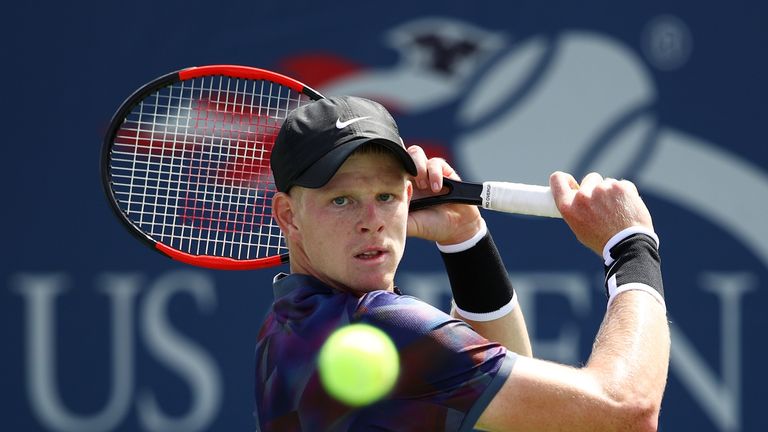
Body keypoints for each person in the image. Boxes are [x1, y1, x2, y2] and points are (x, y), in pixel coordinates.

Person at [254, 95, 669, 431]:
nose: (372, 223)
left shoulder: (284, 324)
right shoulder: (384, 325)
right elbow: (625, 411)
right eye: (341, 201)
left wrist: (465, 239)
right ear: (289, 216)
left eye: (387, 197)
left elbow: (511, 418)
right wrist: (631, 246)